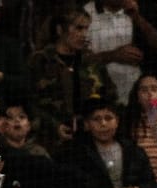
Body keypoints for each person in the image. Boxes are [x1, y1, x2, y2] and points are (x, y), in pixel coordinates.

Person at [28, 6, 118, 153]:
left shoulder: (91, 61)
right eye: (78, 28)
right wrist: (54, 126)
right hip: (49, 140)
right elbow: (29, 102)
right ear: (60, 30)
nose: (84, 34)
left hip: (90, 141)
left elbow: (110, 95)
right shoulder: (40, 60)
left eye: (86, 29)